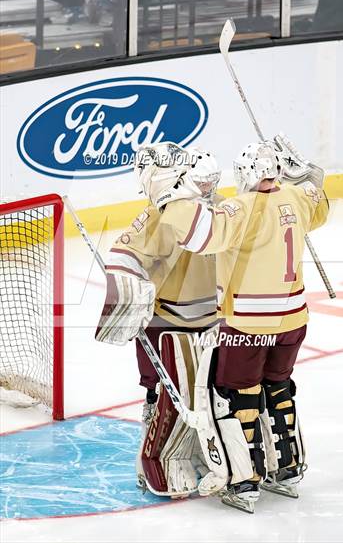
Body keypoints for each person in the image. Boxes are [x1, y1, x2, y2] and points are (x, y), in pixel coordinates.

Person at [139, 134, 329, 512]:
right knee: (279, 387)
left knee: (235, 396)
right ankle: (286, 469)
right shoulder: (295, 199)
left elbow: (198, 235)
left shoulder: (239, 209)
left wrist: (167, 194)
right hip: (294, 320)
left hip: (249, 324)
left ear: (244, 174)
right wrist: (310, 173)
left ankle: (244, 481)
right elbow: (319, 201)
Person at [95, 143, 223, 496]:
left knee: (210, 396)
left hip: (212, 320)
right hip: (167, 321)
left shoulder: (212, 209)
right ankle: (156, 457)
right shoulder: (158, 215)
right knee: (166, 395)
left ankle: (200, 454)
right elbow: (125, 255)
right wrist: (130, 289)